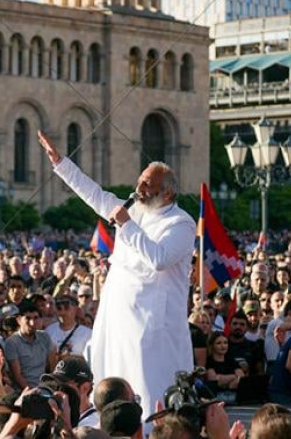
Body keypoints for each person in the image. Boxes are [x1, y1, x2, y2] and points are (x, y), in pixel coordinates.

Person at [39, 130, 196, 424]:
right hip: (117, 317)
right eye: (140, 181)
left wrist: (126, 224)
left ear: (167, 193)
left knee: (148, 388)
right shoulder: (134, 210)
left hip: (152, 327)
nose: (139, 188)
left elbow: (159, 259)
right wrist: (61, 163)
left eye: (148, 184)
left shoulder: (181, 223)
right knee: (110, 379)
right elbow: (96, 195)